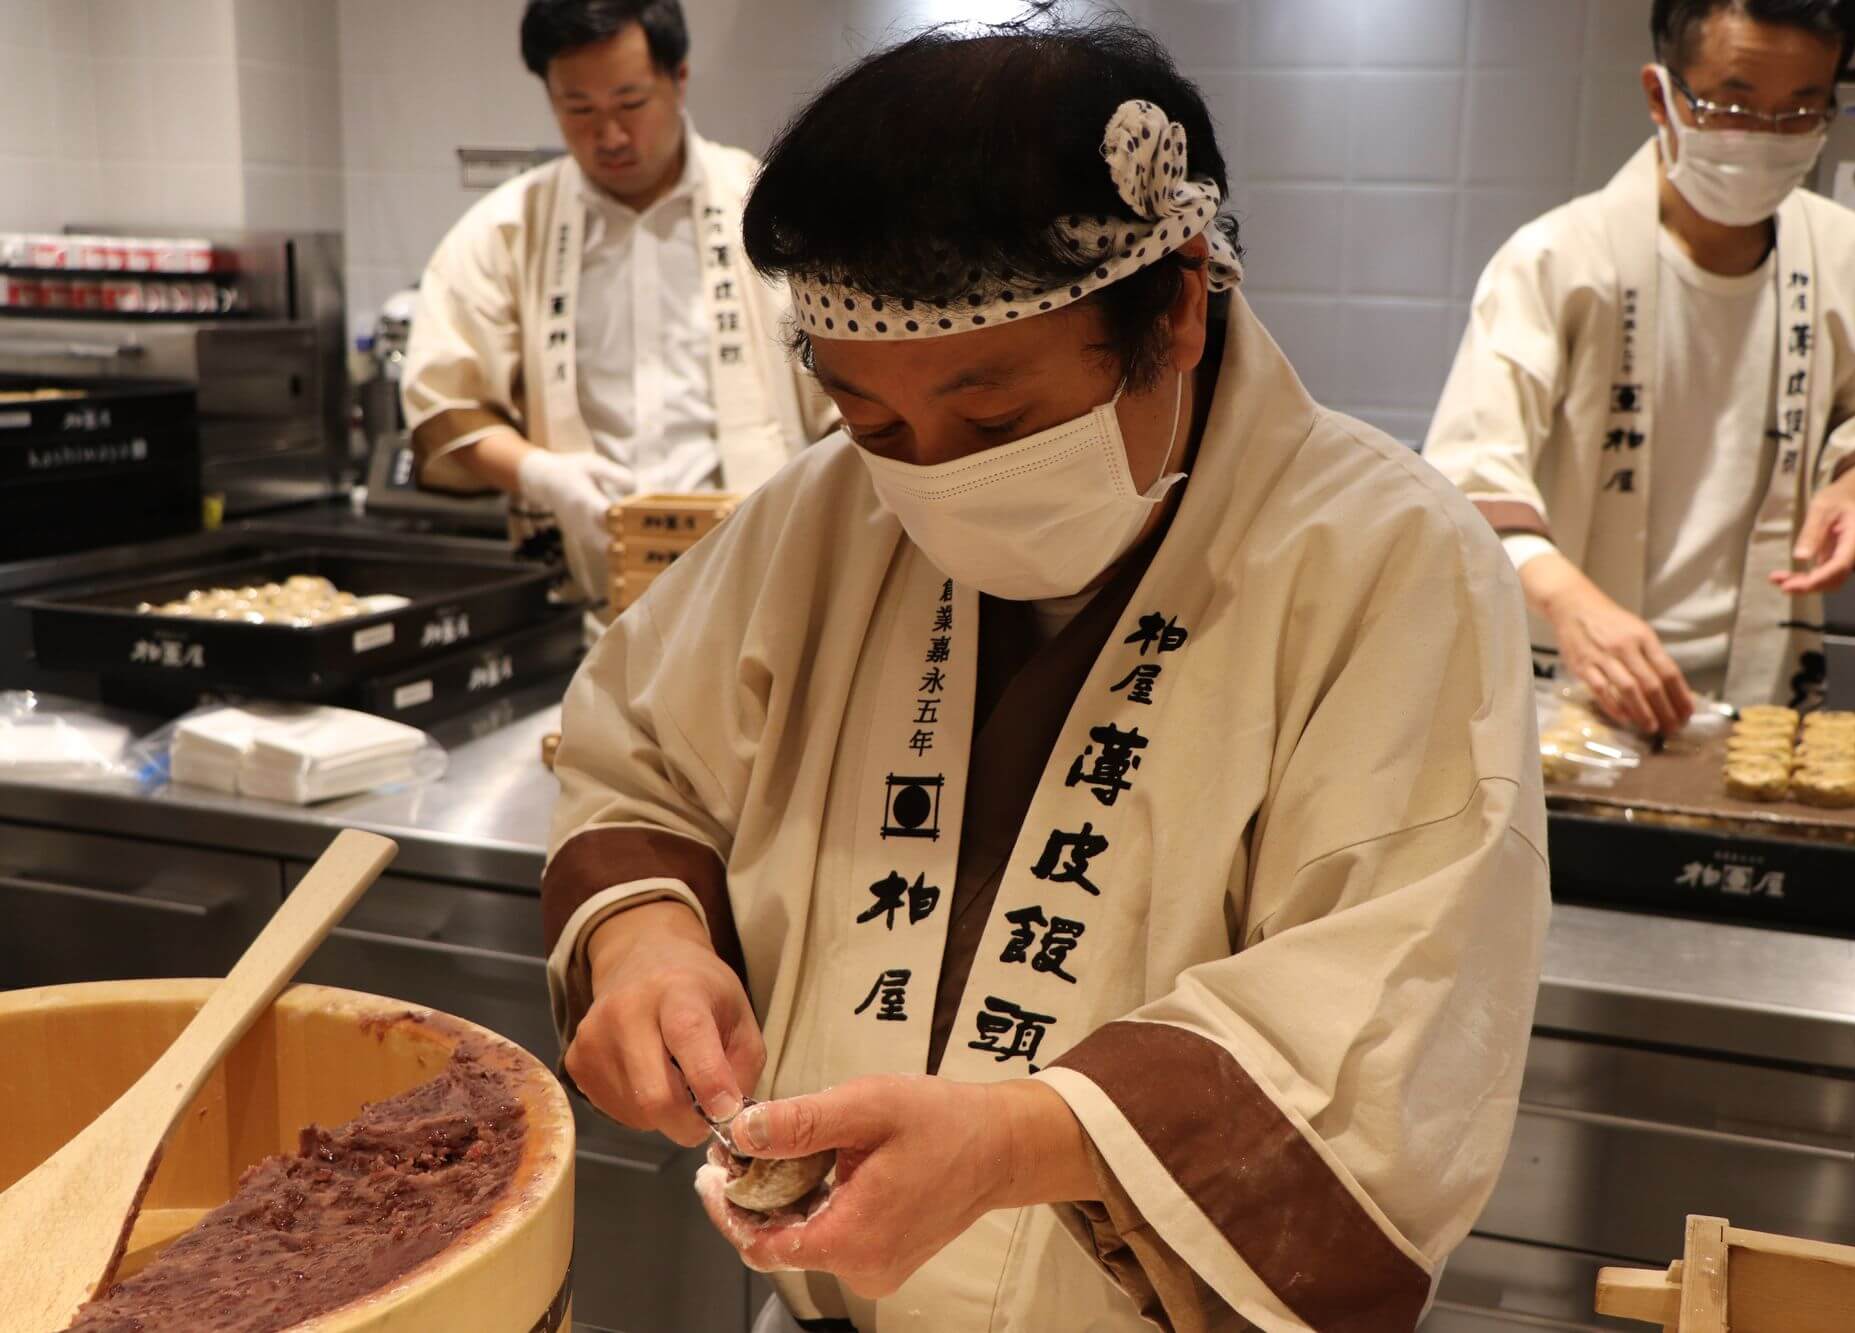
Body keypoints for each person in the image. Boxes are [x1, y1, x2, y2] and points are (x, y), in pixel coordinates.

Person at [542, 21, 1549, 1333]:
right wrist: (647, 943)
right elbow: (640, 753)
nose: (932, 474)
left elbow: (1388, 1009)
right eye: (874, 420)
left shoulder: (1391, 564)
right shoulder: (823, 516)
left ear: (1178, 304)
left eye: (997, 418)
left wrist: (1016, 1141)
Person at [1426, 0, 1855, 734]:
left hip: (1763, 684)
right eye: (1733, 103)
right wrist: (1574, 605)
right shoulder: (1556, 261)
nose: (1765, 138)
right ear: (1660, 95)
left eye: (1800, 111)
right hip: (1573, 680)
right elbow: (1470, 474)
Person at [402, 0, 834, 619]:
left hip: (765, 582)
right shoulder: (504, 231)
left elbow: (852, 399)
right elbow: (445, 405)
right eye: (579, 110)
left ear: (678, 78)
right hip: (588, 592)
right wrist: (540, 475)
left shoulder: (765, 213)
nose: (609, 136)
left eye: (631, 104)